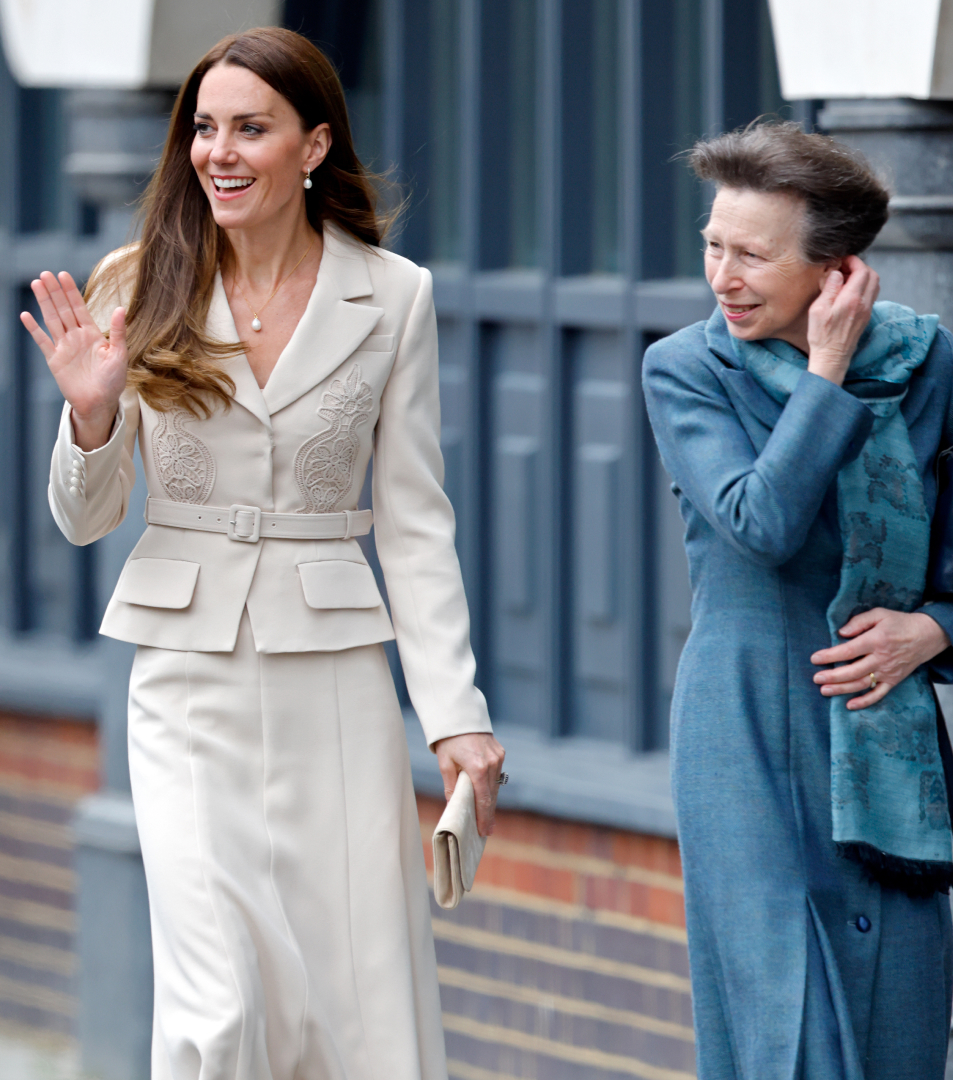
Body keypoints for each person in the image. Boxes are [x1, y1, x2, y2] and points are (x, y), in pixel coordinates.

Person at [21, 27, 504, 1080]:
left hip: (335, 681)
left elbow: (418, 525)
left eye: (251, 127)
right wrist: (93, 420)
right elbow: (84, 518)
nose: (219, 151)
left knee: (352, 1001)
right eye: (204, 127)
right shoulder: (135, 283)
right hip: (184, 682)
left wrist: (456, 717)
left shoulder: (396, 296)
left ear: (314, 145)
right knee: (220, 1000)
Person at [642, 122, 953, 1079]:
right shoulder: (688, 370)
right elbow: (761, 522)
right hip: (742, 730)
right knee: (789, 1033)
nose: (722, 276)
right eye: (714, 244)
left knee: (896, 1021)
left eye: (752, 254)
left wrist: (933, 632)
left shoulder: (923, 359)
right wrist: (825, 377)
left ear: (835, 268)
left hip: (883, 734)